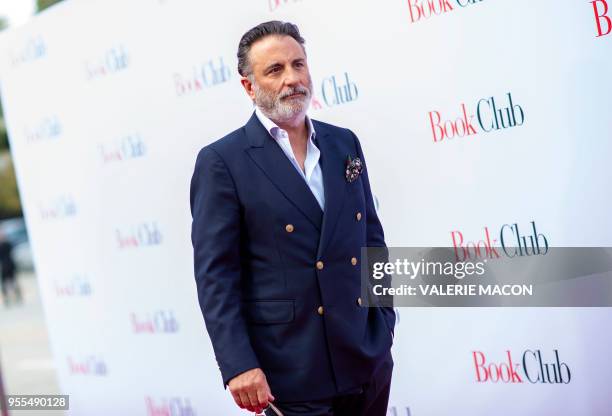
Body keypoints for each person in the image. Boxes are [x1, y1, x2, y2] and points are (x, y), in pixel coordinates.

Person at [190, 21, 395, 416]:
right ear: (249, 87)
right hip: (288, 371)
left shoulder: (343, 143)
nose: (293, 79)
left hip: (366, 361)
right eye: (275, 70)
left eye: (298, 65)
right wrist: (238, 365)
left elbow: (371, 239)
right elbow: (216, 276)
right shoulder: (222, 162)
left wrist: (383, 325)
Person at [0, 229, 21, 306]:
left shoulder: (7, 244)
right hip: (4, 266)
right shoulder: (6, 244)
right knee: (4, 283)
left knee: (14, 281)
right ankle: (7, 299)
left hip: (9, 265)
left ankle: (18, 296)